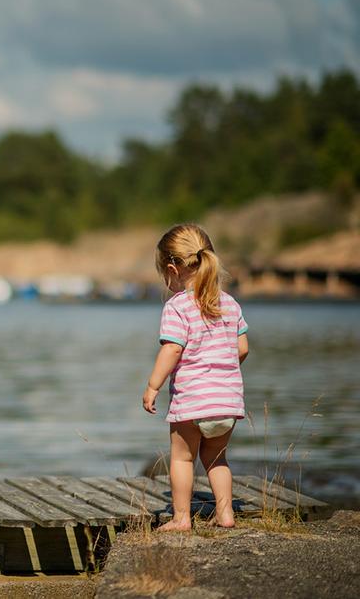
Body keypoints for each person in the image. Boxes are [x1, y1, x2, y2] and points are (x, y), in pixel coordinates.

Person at [142, 223, 249, 531]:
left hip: (192, 401)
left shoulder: (177, 306)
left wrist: (153, 386)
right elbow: (242, 347)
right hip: (227, 402)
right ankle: (226, 514)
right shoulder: (228, 302)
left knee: (182, 459)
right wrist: (221, 366)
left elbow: (172, 350)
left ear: (173, 269)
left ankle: (181, 518)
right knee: (217, 460)